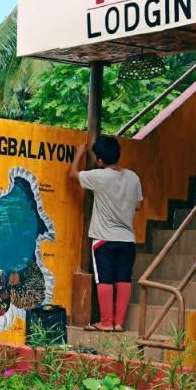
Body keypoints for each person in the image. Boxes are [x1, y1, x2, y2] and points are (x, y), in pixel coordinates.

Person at [69, 135, 143, 332]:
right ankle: (119, 324)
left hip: (104, 238)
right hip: (127, 239)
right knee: (124, 279)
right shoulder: (133, 177)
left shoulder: (99, 176)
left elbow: (73, 174)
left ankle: (106, 322)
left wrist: (78, 154)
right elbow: (138, 206)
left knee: (105, 279)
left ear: (100, 160)